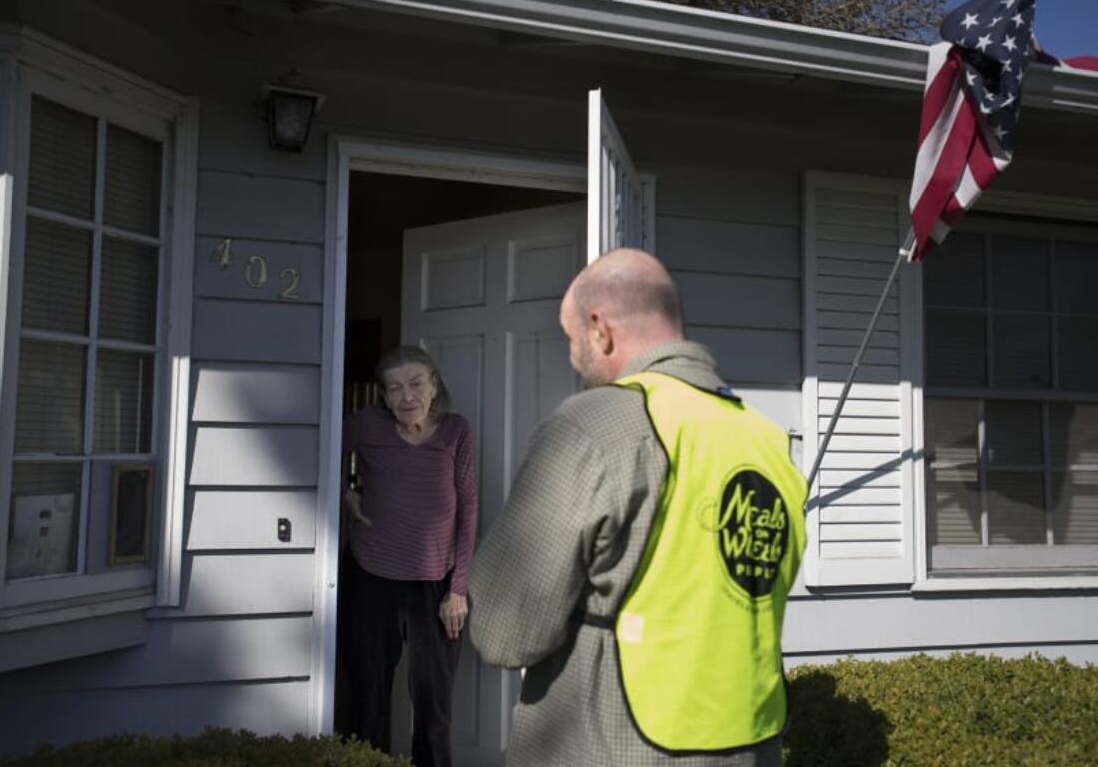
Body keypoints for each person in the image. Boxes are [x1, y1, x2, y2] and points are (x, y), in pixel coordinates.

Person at [468, 249, 806, 767]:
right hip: (749, 743)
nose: (573, 356)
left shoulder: (596, 424)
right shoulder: (765, 441)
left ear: (600, 329)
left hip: (614, 746)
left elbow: (505, 632)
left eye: (571, 339)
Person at [339, 345, 477, 767]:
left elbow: (469, 510)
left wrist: (457, 591)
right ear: (382, 395)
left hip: (434, 584)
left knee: (433, 702)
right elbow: (317, 452)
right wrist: (346, 492)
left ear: (434, 385)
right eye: (394, 388)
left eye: (416, 383)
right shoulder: (365, 425)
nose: (407, 396)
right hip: (370, 576)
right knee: (367, 694)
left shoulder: (456, 431)